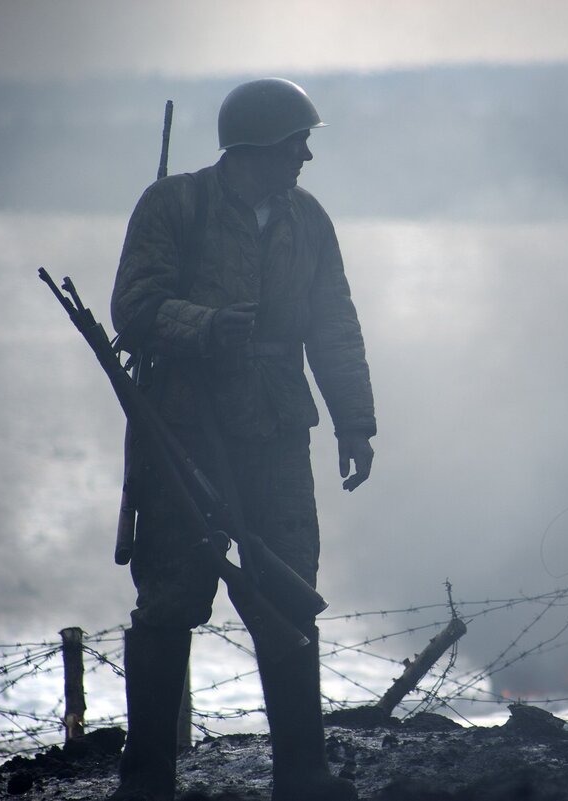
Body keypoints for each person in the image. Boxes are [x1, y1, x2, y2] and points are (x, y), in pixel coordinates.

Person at [107, 78, 375, 801]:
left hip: (278, 436)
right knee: (170, 595)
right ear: (258, 146)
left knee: (289, 589)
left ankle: (304, 774)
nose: (306, 156)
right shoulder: (175, 206)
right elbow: (132, 307)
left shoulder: (309, 222)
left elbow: (334, 326)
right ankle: (146, 780)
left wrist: (355, 422)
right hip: (184, 434)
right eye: (296, 143)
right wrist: (203, 325)